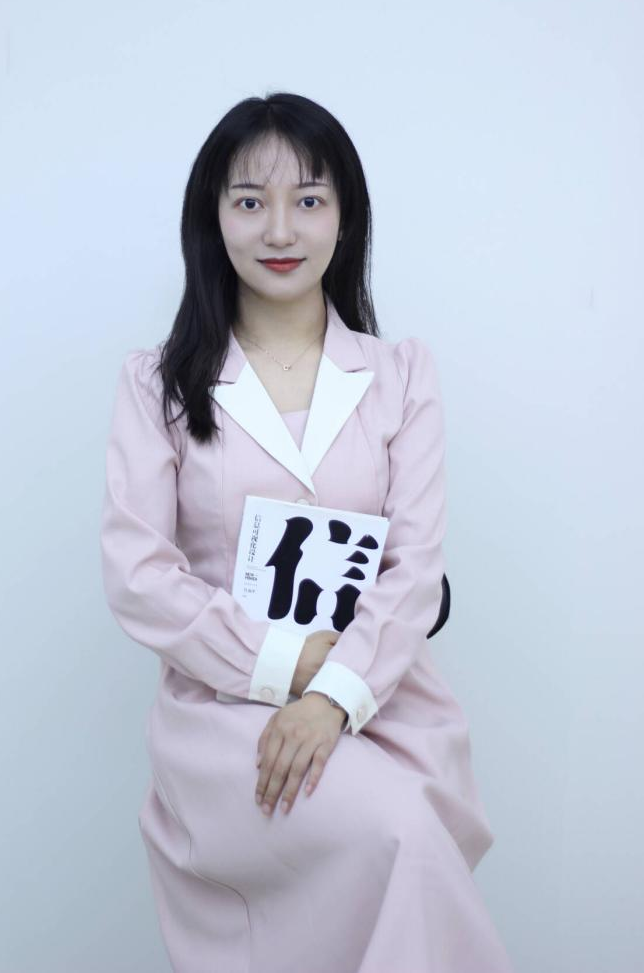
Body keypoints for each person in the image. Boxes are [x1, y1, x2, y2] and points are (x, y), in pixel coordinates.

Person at [100, 92, 515, 972]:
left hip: (383, 696)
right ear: (213, 216)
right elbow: (139, 574)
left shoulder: (401, 376)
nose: (280, 228)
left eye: (310, 199)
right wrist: (287, 666)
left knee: (407, 844)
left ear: (346, 215)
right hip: (227, 708)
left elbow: (414, 569)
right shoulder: (157, 385)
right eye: (250, 200)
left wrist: (332, 695)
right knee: (399, 834)